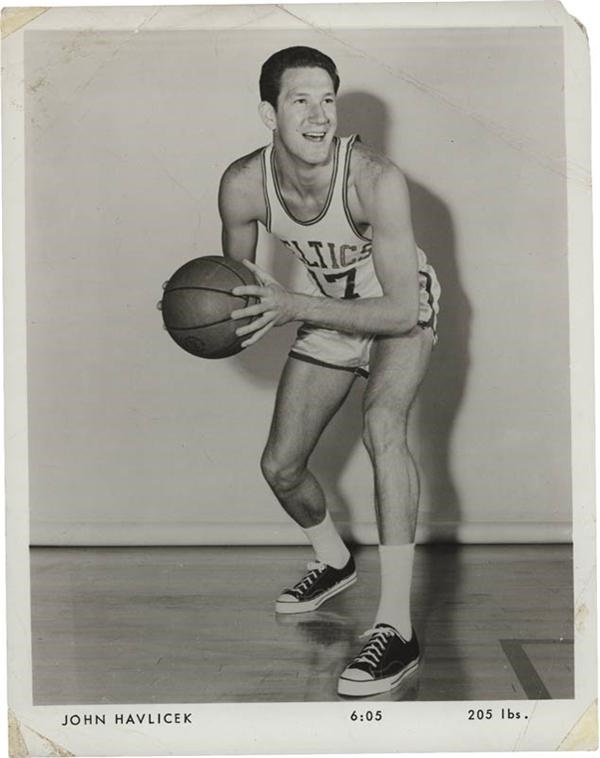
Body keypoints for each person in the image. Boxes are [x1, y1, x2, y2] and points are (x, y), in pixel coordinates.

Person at [218, 46, 440, 698]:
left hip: (399, 309)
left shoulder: (374, 178)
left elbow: (400, 308)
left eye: (327, 100)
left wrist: (291, 305)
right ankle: (335, 559)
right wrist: (218, 317)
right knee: (280, 467)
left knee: (382, 424)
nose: (318, 117)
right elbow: (234, 289)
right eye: (299, 100)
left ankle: (396, 628)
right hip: (329, 311)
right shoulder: (241, 184)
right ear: (269, 112)